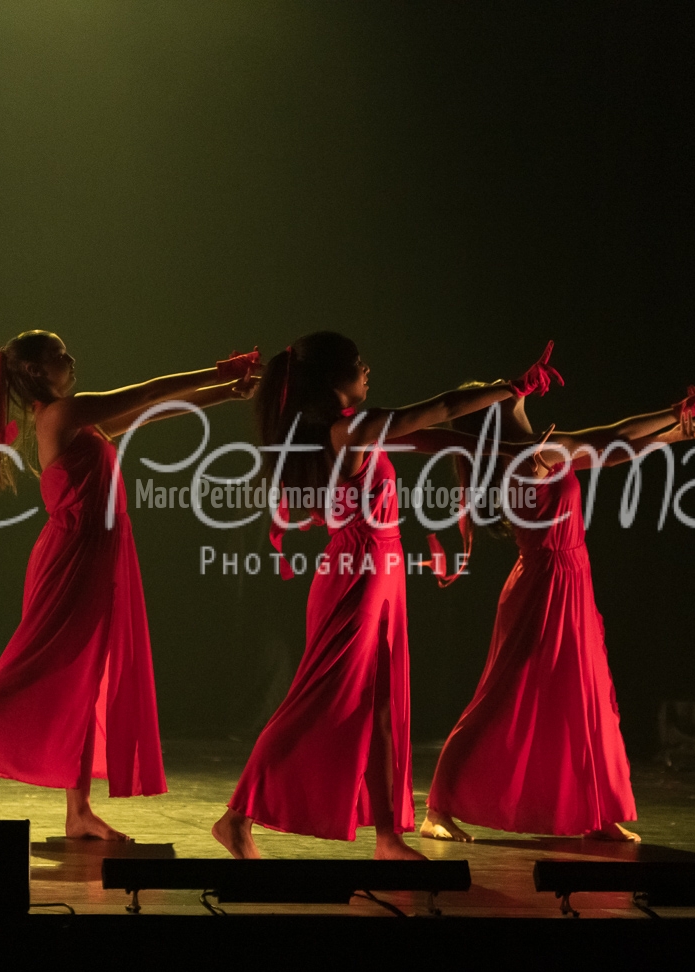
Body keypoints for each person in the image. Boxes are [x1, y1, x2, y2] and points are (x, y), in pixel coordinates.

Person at [212, 332, 561, 859]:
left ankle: (387, 836)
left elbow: (433, 436)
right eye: (358, 363)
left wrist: (504, 438)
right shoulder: (353, 429)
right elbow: (442, 408)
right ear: (334, 378)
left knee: (381, 708)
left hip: (376, 569)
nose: (367, 369)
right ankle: (236, 818)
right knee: (314, 703)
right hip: (360, 571)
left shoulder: (343, 430)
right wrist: (508, 389)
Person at [0, 329, 260, 839]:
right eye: (58, 354)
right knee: (23, 671)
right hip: (72, 557)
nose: (70, 358)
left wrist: (225, 392)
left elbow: (151, 411)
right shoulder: (62, 413)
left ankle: (78, 810)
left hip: (98, 554)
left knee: (86, 676)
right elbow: (147, 391)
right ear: (36, 371)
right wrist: (218, 372)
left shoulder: (76, 421)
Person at [421, 384, 695, 843]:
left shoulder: (537, 450)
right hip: (543, 585)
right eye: (495, 392)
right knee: (503, 697)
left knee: (584, 698)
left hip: (569, 578)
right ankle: (438, 806)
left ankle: (598, 812)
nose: (508, 388)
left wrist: (672, 433)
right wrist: (673, 412)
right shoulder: (530, 456)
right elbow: (611, 438)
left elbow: (610, 453)